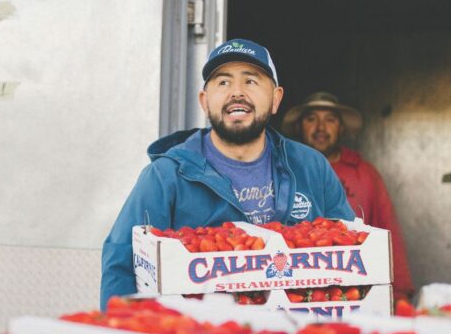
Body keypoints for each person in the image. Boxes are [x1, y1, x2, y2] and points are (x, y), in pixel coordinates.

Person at [100, 39, 354, 309]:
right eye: (223, 82)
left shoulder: (311, 167)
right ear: (204, 100)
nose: (236, 92)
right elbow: (122, 266)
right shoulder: (166, 176)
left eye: (251, 81)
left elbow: (351, 249)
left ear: (276, 99)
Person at [281, 91, 414, 300]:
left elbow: (388, 232)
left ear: (341, 128)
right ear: (299, 127)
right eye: (311, 119)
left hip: (356, 287)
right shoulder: (285, 171)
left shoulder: (365, 174)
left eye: (330, 120)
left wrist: (399, 292)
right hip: (296, 288)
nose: (321, 128)